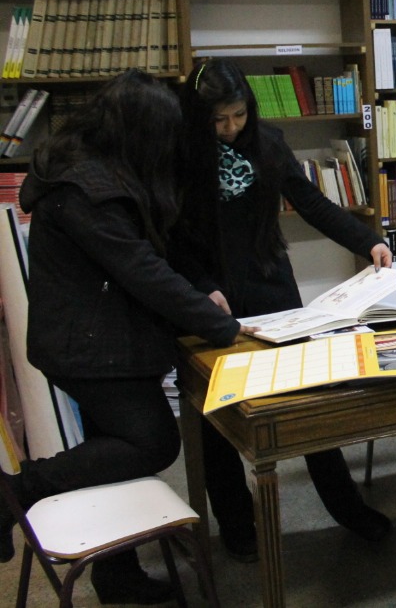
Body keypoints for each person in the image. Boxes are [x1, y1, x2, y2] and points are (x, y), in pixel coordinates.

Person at [3, 70, 244, 605]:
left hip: (89, 336)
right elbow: (143, 271)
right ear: (139, 133)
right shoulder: (88, 191)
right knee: (152, 441)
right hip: (89, 347)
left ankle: (116, 574)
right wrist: (222, 327)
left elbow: (152, 257)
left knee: (109, 448)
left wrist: (200, 296)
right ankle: (15, 492)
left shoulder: (90, 167)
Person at [171, 59, 394, 563]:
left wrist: (367, 242)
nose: (230, 128)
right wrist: (201, 288)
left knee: (307, 404)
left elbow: (312, 203)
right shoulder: (181, 155)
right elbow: (173, 238)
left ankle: (347, 508)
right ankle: (237, 526)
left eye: (238, 116)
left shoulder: (267, 143)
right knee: (218, 418)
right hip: (211, 298)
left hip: (271, 287)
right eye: (219, 120)